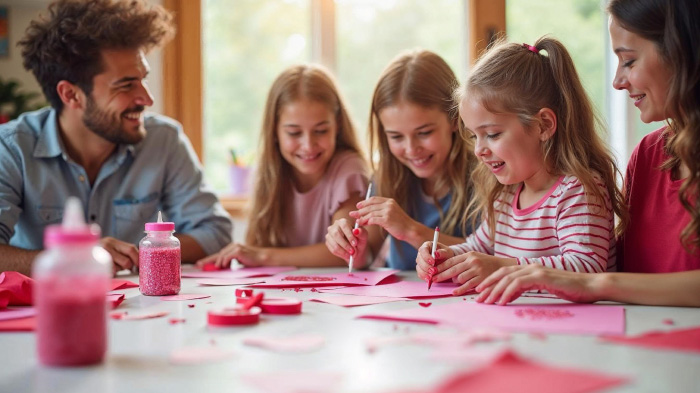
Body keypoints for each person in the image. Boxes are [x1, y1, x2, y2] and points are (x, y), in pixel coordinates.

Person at [475, 0, 700, 307]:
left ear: (682, 52)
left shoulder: (579, 188)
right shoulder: (647, 156)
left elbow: (594, 272)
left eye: (629, 61)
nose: (618, 82)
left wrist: (594, 282)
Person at [0, 0, 232, 276]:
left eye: (143, 80)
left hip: (142, 311)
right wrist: (79, 259)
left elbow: (215, 231)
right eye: (126, 85)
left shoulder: (164, 140)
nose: (147, 98)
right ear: (71, 95)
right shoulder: (12, 147)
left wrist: (143, 250)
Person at [416, 37, 629, 295]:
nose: (478, 150)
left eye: (492, 134)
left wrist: (502, 267)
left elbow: (586, 267)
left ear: (543, 125)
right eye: (474, 136)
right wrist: (445, 258)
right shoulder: (505, 195)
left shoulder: (577, 191)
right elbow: (480, 247)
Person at [196, 65, 368, 268]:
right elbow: (256, 246)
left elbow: (346, 252)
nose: (308, 145)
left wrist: (263, 256)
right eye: (294, 133)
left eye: (321, 131)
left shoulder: (349, 169)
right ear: (274, 131)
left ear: (337, 126)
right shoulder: (270, 173)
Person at [325, 50, 475, 270]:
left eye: (424, 133)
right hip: (400, 301)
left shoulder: (485, 175)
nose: (411, 149)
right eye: (396, 136)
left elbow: (493, 254)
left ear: (454, 118)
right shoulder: (388, 175)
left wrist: (410, 230)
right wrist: (351, 248)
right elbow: (365, 258)